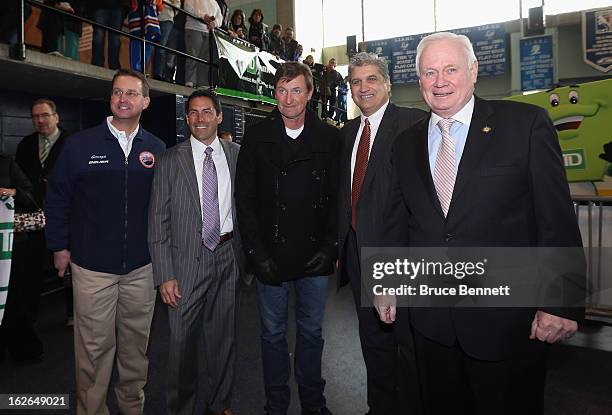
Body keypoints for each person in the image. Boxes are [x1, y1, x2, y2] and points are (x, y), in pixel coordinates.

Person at [382, 32, 584, 414]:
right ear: (419, 80)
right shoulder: (405, 144)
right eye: (429, 72)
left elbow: (556, 219)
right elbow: (397, 222)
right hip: (431, 327)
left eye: (451, 69)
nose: (440, 81)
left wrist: (562, 302)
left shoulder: (524, 125)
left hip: (507, 325)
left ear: (473, 72)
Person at [45, 69, 166, 415]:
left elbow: (165, 210)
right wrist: (59, 246)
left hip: (142, 270)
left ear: (145, 101)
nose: (123, 99)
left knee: (135, 350)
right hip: (92, 268)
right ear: (110, 98)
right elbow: (57, 198)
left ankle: (131, 407)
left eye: (131, 93)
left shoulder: (157, 149)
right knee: (93, 350)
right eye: (117, 93)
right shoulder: (80, 146)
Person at [235, 62, 340, 415]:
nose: (289, 98)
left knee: (311, 334)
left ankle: (314, 403)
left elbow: (338, 198)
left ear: (311, 93)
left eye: (296, 90)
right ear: (273, 93)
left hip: (314, 258)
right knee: (272, 336)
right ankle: (276, 405)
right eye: (282, 90)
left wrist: (330, 247)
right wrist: (256, 253)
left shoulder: (329, 138)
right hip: (271, 256)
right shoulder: (256, 135)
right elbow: (244, 200)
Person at [337, 52, 426, 415]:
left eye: (371, 79)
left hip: (401, 255)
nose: (363, 88)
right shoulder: (347, 134)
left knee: (408, 342)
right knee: (372, 339)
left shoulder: (414, 124)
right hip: (359, 254)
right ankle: (381, 406)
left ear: (387, 83)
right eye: (356, 82)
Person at [149, 89, 242, 415]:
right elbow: (158, 221)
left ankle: (220, 403)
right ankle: (181, 408)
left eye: (206, 112)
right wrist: (165, 275)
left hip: (228, 258)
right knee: (180, 346)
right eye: (193, 113)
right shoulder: (170, 160)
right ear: (186, 118)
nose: (199, 118)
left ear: (219, 116)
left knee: (223, 340)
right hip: (185, 264)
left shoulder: (236, 155)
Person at [16, 98, 72, 326]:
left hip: (65, 215)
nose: (40, 120)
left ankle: (73, 313)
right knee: (30, 268)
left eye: (45, 115)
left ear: (56, 117)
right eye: (35, 116)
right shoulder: (26, 145)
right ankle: (28, 318)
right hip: (34, 217)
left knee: (69, 268)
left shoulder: (72, 143)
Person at [0, 155, 41, 362]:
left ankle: (24, 349)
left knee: (13, 300)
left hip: (9, 246)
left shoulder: (6, 163)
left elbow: (29, 195)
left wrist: (11, 193)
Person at [184, 0, 222, 87]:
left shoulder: (214, 2)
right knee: (192, 56)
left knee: (205, 60)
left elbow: (220, 18)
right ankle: (190, 81)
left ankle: (202, 83)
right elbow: (187, 7)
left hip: (208, 32)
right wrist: (203, 15)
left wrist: (214, 23)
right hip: (194, 28)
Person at [88, 0, 129, 70]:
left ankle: (114, 66)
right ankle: (97, 65)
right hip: (99, 5)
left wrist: (125, 8)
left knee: (114, 40)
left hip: (118, 6)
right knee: (98, 37)